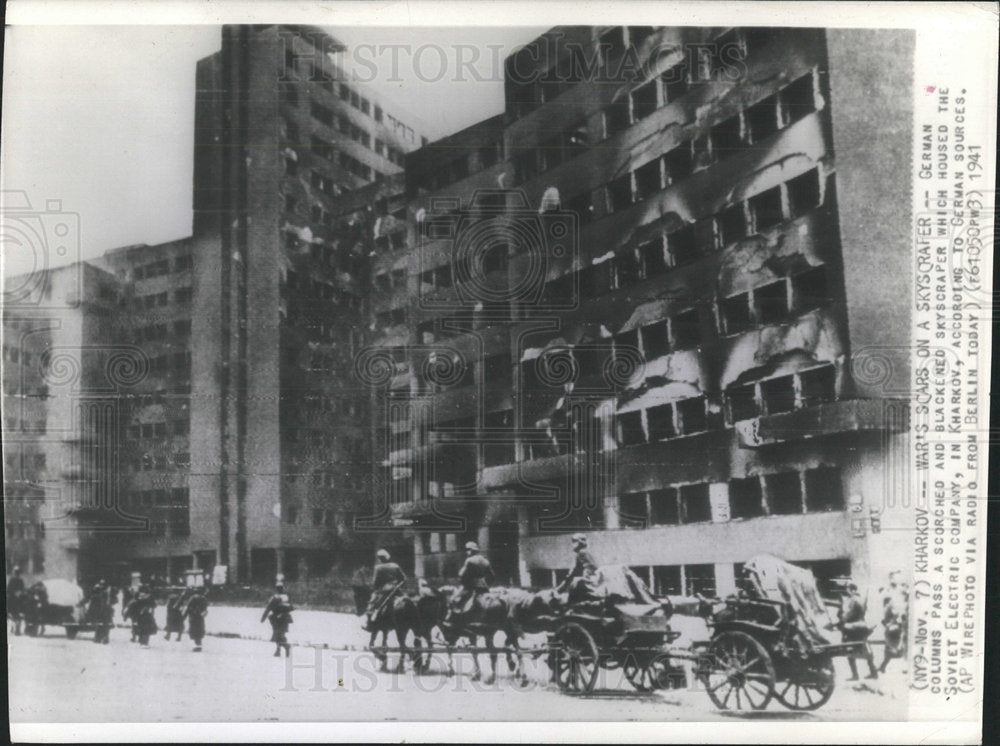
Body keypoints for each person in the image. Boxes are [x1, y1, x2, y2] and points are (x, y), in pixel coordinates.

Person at [837, 582, 878, 680]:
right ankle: (873, 672)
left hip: (854, 627)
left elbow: (849, 614)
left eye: (848, 589)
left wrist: (841, 621)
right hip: (862, 626)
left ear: (853, 590)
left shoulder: (853, 600)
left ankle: (855, 675)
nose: (847, 591)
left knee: (849, 649)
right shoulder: (860, 599)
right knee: (866, 650)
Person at [450, 541, 495, 621]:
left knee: (454, 599)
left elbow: (461, 574)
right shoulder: (486, 561)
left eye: (467, 550)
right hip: (484, 587)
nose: (467, 552)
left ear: (471, 550)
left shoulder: (469, 560)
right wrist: (486, 583)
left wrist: (463, 580)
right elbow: (492, 576)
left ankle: (458, 619)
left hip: (470, 586)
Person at [363, 550, 405, 631]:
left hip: (383, 591)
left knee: (371, 606)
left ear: (380, 559)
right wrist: (397, 586)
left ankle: (369, 625)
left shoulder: (378, 568)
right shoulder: (395, 566)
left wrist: (375, 589)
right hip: (396, 590)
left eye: (379, 558)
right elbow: (403, 579)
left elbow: (375, 582)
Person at [879, 571, 909, 673]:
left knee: (901, 644)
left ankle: (886, 666)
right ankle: (884, 666)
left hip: (902, 624)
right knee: (892, 646)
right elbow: (886, 610)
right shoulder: (889, 595)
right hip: (894, 623)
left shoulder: (903, 595)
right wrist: (888, 623)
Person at [557, 534, 599, 604]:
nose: (573, 544)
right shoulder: (586, 552)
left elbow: (574, 571)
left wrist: (560, 589)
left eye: (574, 541)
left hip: (587, 583)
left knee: (571, 598)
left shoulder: (581, 553)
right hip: (593, 582)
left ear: (579, 542)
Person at [261, 583, 294, 657]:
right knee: (281, 634)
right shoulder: (286, 597)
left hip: (277, 619)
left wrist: (263, 618)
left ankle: (286, 647)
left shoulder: (275, 597)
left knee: (277, 634)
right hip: (285, 618)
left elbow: (268, 608)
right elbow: (292, 607)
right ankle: (278, 650)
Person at [183, 586, 209, 652]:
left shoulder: (193, 597)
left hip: (193, 617)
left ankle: (197, 646)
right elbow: (205, 609)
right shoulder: (204, 598)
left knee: (194, 631)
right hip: (200, 617)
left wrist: (184, 617)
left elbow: (188, 608)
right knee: (199, 631)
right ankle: (199, 646)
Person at [88, 579, 113, 644]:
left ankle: (103, 638)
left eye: (102, 585)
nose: (101, 586)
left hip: (103, 610)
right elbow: (89, 597)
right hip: (102, 610)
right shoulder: (98, 592)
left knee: (103, 624)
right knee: (101, 624)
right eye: (101, 584)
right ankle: (100, 638)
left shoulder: (105, 592)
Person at [133, 583, 158, 648]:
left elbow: (135, 606)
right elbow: (154, 605)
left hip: (139, 615)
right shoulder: (149, 597)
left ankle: (142, 642)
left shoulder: (137, 597)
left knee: (142, 628)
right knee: (147, 629)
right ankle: (144, 643)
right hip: (147, 616)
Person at [6, 565, 26, 636]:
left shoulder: (12, 580)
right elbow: (23, 589)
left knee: (12, 614)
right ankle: (16, 629)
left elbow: (8, 590)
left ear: (14, 572)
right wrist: (19, 593)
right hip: (19, 600)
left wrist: (13, 593)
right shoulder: (21, 580)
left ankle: (15, 628)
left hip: (12, 600)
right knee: (17, 614)